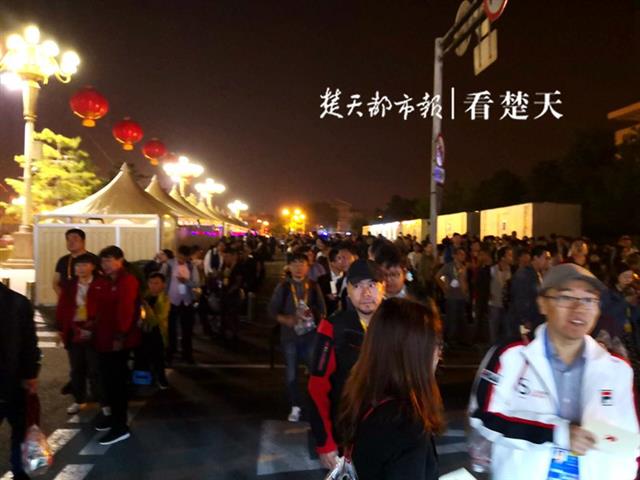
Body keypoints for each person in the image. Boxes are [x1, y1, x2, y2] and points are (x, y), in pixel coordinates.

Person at [469, 264, 640, 480]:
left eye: (589, 300)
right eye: (566, 297)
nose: (579, 308)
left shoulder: (616, 367)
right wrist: (557, 433)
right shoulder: (511, 356)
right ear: (542, 303)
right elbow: (483, 416)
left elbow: (631, 442)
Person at [339, 299, 444, 480]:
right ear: (412, 352)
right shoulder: (406, 423)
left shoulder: (365, 393)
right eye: (435, 344)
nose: (439, 353)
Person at [308, 259, 385, 470]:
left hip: (391, 434)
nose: (366, 293)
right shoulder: (332, 328)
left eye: (372, 284)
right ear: (348, 291)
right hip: (347, 436)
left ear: (383, 287)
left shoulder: (398, 325)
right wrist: (325, 443)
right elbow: (317, 387)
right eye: (357, 286)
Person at [269, 252, 326, 422]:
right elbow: (271, 310)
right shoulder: (283, 287)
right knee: (291, 373)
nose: (299, 267)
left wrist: (313, 315)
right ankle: (295, 405)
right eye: (295, 264)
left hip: (310, 336)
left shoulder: (314, 286)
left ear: (308, 267)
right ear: (289, 267)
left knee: (315, 371)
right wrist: (285, 319)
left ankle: (315, 403)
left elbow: (323, 310)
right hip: (290, 337)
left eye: (302, 264)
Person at [94, 246, 140, 445]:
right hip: (103, 339)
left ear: (120, 260)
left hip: (118, 342)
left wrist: (120, 337)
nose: (105, 264)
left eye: (109, 260)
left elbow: (125, 311)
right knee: (107, 382)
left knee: (117, 384)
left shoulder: (127, 281)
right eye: (103, 261)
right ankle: (113, 418)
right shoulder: (105, 280)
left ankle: (120, 426)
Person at [55, 253, 105, 414]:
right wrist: (60, 328)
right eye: (77, 266)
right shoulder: (70, 285)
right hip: (74, 331)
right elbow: (62, 307)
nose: (80, 268)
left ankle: (102, 402)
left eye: (84, 265)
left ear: (93, 267)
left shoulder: (101, 283)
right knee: (76, 369)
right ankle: (79, 400)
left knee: (95, 369)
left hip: (95, 331)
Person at [0, 282, 40, 480]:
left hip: (12, 379)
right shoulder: (18, 301)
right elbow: (30, 343)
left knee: (19, 427)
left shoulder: (19, 302)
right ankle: (19, 471)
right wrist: (31, 375)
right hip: (14, 380)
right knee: (19, 428)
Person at [166, 245, 200, 364]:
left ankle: (187, 353)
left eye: (184, 258)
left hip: (186, 301)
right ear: (177, 254)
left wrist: (186, 282)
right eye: (180, 257)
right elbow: (162, 278)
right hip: (171, 301)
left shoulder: (191, 266)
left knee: (187, 329)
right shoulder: (169, 265)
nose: (181, 260)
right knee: (171, 329)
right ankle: (171, 351)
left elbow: (196, 283)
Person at [508, 245, 551, 338]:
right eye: (546, 258)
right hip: (528, 320)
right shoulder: (524, 275)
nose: (548, 261)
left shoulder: (538, 274)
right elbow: (520, 300)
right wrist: (525, 320)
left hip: (536, 318)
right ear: (536, 258)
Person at [140, 272, 170, 389]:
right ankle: (145, 381)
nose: (153, 286)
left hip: (158, 332)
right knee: (144, 357)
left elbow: (157, 320)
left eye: (156, 283)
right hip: (143, 331)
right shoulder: (145, 295)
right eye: (151, 283)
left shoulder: (164, 299)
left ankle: (161, 379)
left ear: (163, 284)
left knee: (158, 358)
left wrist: (146, 307)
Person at [436, 247, 469, 345]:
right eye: (461, 254)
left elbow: (465, 281)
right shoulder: (449, 266)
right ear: (455, 256)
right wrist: (444, 287)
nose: (463, 256)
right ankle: (450, 339)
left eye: (464, 254)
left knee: (461, 318)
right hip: (451, 296)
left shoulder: (463, 267)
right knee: (452, 318)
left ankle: (460, 338)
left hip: (461, 295)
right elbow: (438, 276)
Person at [53, 228, 98, 298]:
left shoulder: (94, 259)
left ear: (83, 241)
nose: (71, 242)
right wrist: (64, 299)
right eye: (68, 240)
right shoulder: (63, 260)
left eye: (75, 239)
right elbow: (55, 283)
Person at [488, 246, 513, 344]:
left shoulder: (511, 270)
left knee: (505, 330)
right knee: (494, 330)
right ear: (502, 258)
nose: (511, 258)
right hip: (495, 304)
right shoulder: (492, 270)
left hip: (506, 305)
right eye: (509, 255)